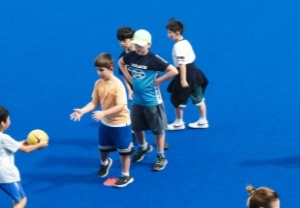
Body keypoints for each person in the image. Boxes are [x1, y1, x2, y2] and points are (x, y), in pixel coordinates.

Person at [70, 52, 135, 188]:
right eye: (97, 70)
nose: (99, 73)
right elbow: (94, 102)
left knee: (124, 151)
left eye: (101, 70)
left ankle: (126, 175)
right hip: (106, 123)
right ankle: (105, 163)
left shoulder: (118, 85)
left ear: (111, 69)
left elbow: (121, 106)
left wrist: (103, 113)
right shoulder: (98, 83)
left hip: (120, 124)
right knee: (103, 147)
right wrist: (82, 111)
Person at [119, 29, 177, 172]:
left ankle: (161, 156)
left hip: (152, 101)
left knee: (157, 130)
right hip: (137, 100)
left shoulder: (153, 59)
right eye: (136, 45)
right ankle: (144, 147)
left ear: (149, 44)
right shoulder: (130, 56)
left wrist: (159, 81)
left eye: (141, 45)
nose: (138, 48)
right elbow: (120, 62)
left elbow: (173, 70)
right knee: (136, 127)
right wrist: (128, 77)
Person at [164, 18, 210, 130]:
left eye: (170, 32)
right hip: (195, 73)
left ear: (177, 33)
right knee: (199, 98)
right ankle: (203, 120)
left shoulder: (177, 46)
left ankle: (179, 122)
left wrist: (183, 80)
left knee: (177, 99)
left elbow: (182, 64)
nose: (168, 35)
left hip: (184, 74)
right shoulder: (186, 42)